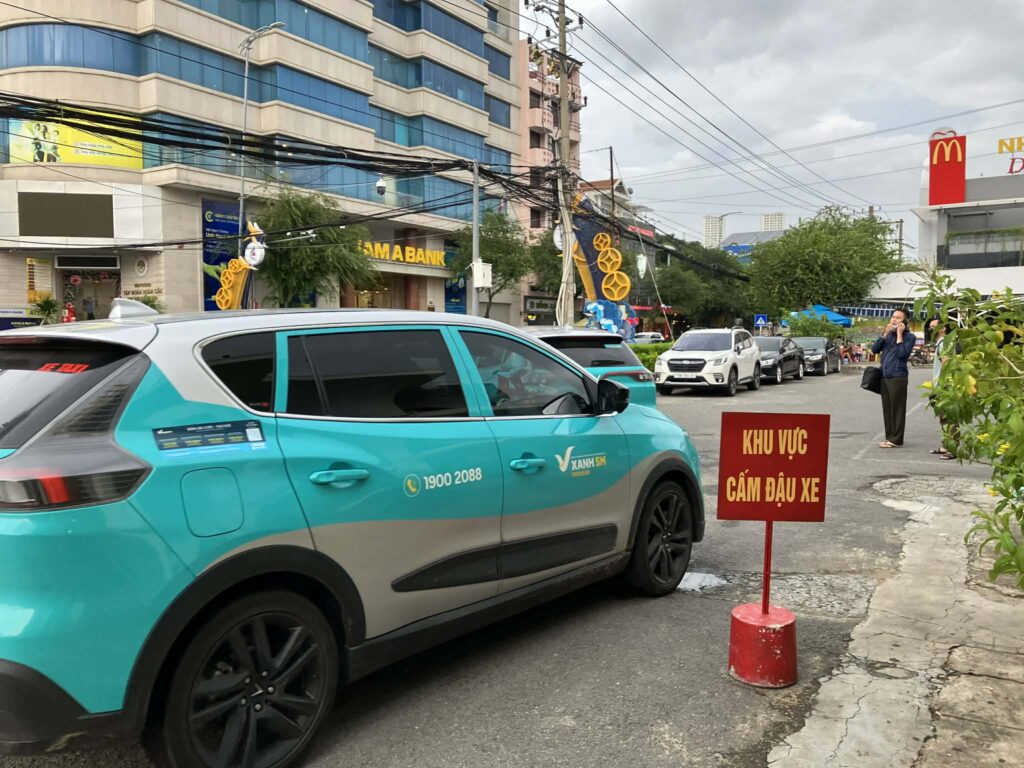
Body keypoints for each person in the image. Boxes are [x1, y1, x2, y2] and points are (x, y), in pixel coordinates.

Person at [871, 308, 916, 448]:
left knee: (897, 409)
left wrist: (899, 335)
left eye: (898, 317)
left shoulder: (910, 337)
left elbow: (902, 354)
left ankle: (896, 439)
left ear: (904, 321)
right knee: (888, 409)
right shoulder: (888, 334)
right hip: (885, 376)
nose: (894, 319)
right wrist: (884, 334)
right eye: (893, 317)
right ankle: (890, 437)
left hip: (898, 376)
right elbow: (874, 350)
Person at [926, 318, 958, 459]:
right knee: (944, 418)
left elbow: (946, 363)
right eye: (930, 327)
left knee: (950, 418)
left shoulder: (945, 343)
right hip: (941, 385)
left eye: (934, 326)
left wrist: (944, 384)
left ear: (943, 328)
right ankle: (946, 446)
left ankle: (952, 448)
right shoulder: (941, 343)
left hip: (945, 386)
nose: (931, 329)